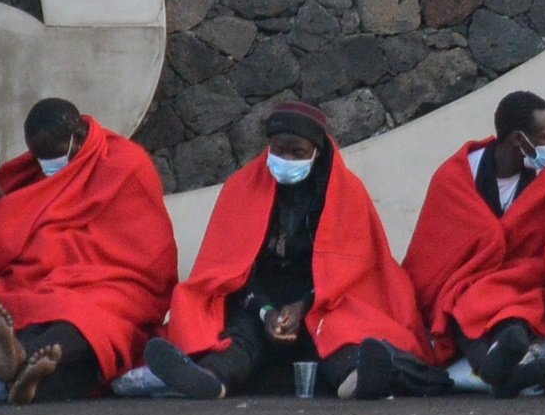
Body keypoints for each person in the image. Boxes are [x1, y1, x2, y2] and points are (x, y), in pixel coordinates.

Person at [147, 101, 430, 399]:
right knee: (241, 336)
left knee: (336, 332)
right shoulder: (241, 189)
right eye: (279, 150)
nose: (286, 159)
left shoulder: (346, 193)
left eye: (298, 153)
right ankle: (210, 379)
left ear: (317, 153)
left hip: (322, 301)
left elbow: (354, 271)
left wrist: (303, 306)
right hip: (258, 301)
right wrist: (265, 311)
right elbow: (230, 269)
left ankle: (358, 381)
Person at [0, 96, 178, 402]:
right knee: (42, 318)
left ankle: (20, 358)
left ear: (78, 137)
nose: (47, 166)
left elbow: (152, 251)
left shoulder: (126, 164)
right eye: (40, 157)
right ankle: (23, 373)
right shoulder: (37, 166)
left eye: (54, 155)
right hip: (48, 281)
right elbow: (12, 226)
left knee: (83, 319)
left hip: (120, 284)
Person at [400, 91, 545, 392]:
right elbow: (435, 245)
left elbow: (539, 241)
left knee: (519, 303)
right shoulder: (456, 177)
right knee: (460, 299)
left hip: (516, 277)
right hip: (458, 277)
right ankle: (500, 369)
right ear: (517, 139)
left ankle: (501, 360)